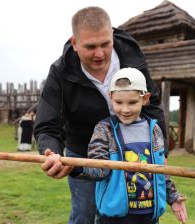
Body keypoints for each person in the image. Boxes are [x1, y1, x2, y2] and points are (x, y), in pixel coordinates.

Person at [34, 6, 168, 224]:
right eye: (91, 46)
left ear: (112, 36)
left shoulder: (132, 57)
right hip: (83, 153)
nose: (100, 53)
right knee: (84, 214)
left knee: (135, 213)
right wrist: (52, 153)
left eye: (105, 44)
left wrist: (161, 151)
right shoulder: (60, 72)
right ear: (75, 43)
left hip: (133, 150)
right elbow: (47, 124)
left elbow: (151, 103)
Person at [69, 68, 187, 224]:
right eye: (119, 102)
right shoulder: (105, 130)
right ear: (111, 98)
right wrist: (74, 167)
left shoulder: (155, 130)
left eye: (132, 102)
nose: (125, 109)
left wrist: (172, 197)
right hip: (113, 219)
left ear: (145, 99)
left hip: (149, 218)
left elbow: (160, 171)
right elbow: (99, 170)